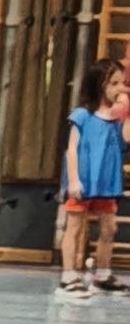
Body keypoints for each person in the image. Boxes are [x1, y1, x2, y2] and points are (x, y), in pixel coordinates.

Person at [62, 52, 126, 293]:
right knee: (75, 227)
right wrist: (74, 180)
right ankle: (68, 276)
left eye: (122, 83)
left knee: (109, 228)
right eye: (114, 83)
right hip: (84, 181)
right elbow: (72, 149)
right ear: (100, 85)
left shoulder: (118, 121)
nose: (120, 88)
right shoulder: (83, 116)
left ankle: (102, 274)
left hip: (106, 183)